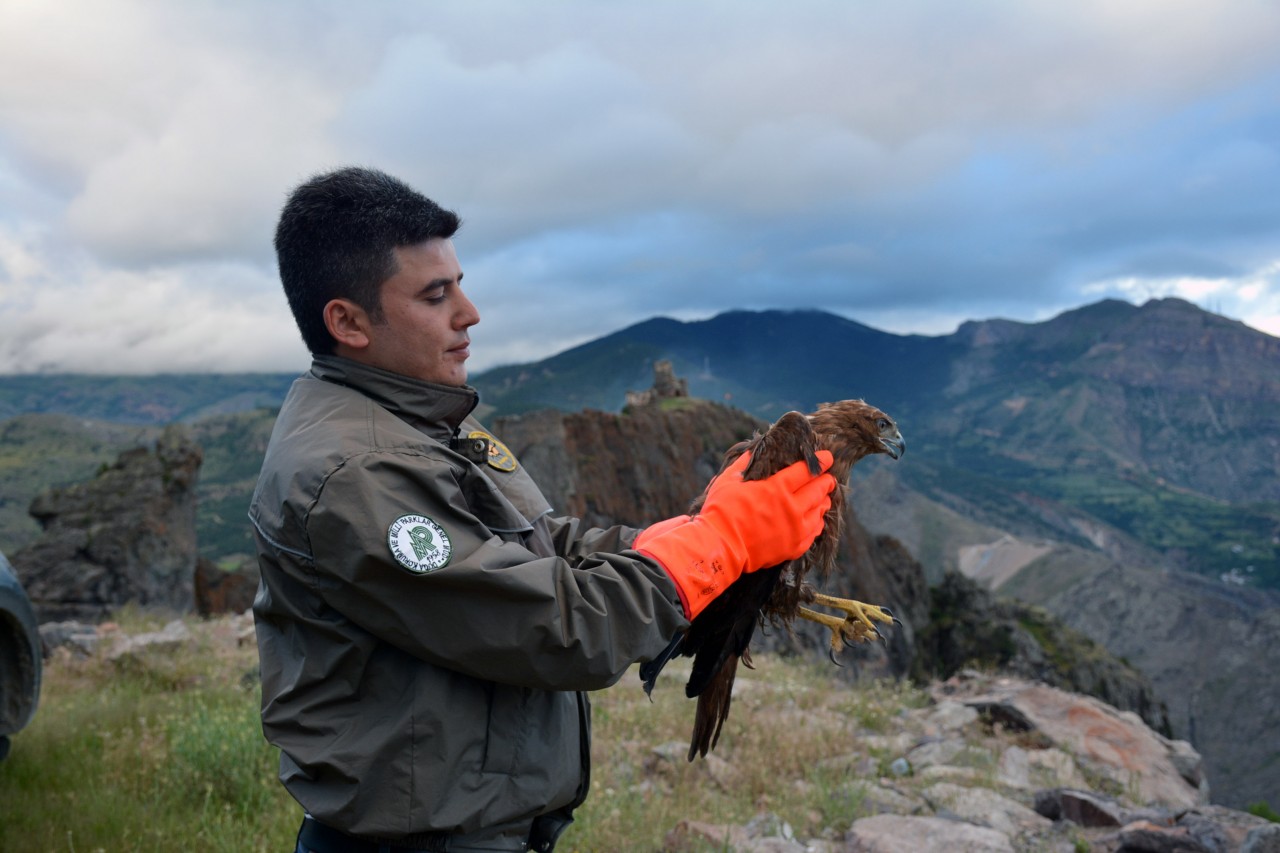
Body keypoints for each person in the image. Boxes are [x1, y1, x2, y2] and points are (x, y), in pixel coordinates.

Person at [250, 166, 836, 853]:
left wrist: (682, 537)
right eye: (436, 296)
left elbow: (538, 545)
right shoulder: (357, 473)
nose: (469, 314)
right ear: (347, 321)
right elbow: (557, 627)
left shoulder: (416, 421)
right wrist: (720, 543)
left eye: (460, 285)